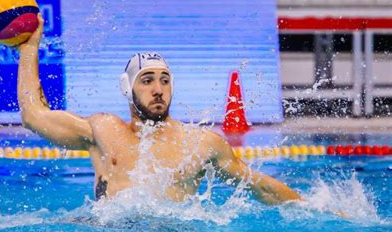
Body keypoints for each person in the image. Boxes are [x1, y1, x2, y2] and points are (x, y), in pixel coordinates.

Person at [17, 14, 301, 204]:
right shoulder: (102, 131)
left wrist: (312, 208)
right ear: (127, 89)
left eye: (165, 81)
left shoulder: (200, 144)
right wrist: (30, 49)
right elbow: (34, 116)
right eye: (147, 80)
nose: (158, 89)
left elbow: (259, 186)